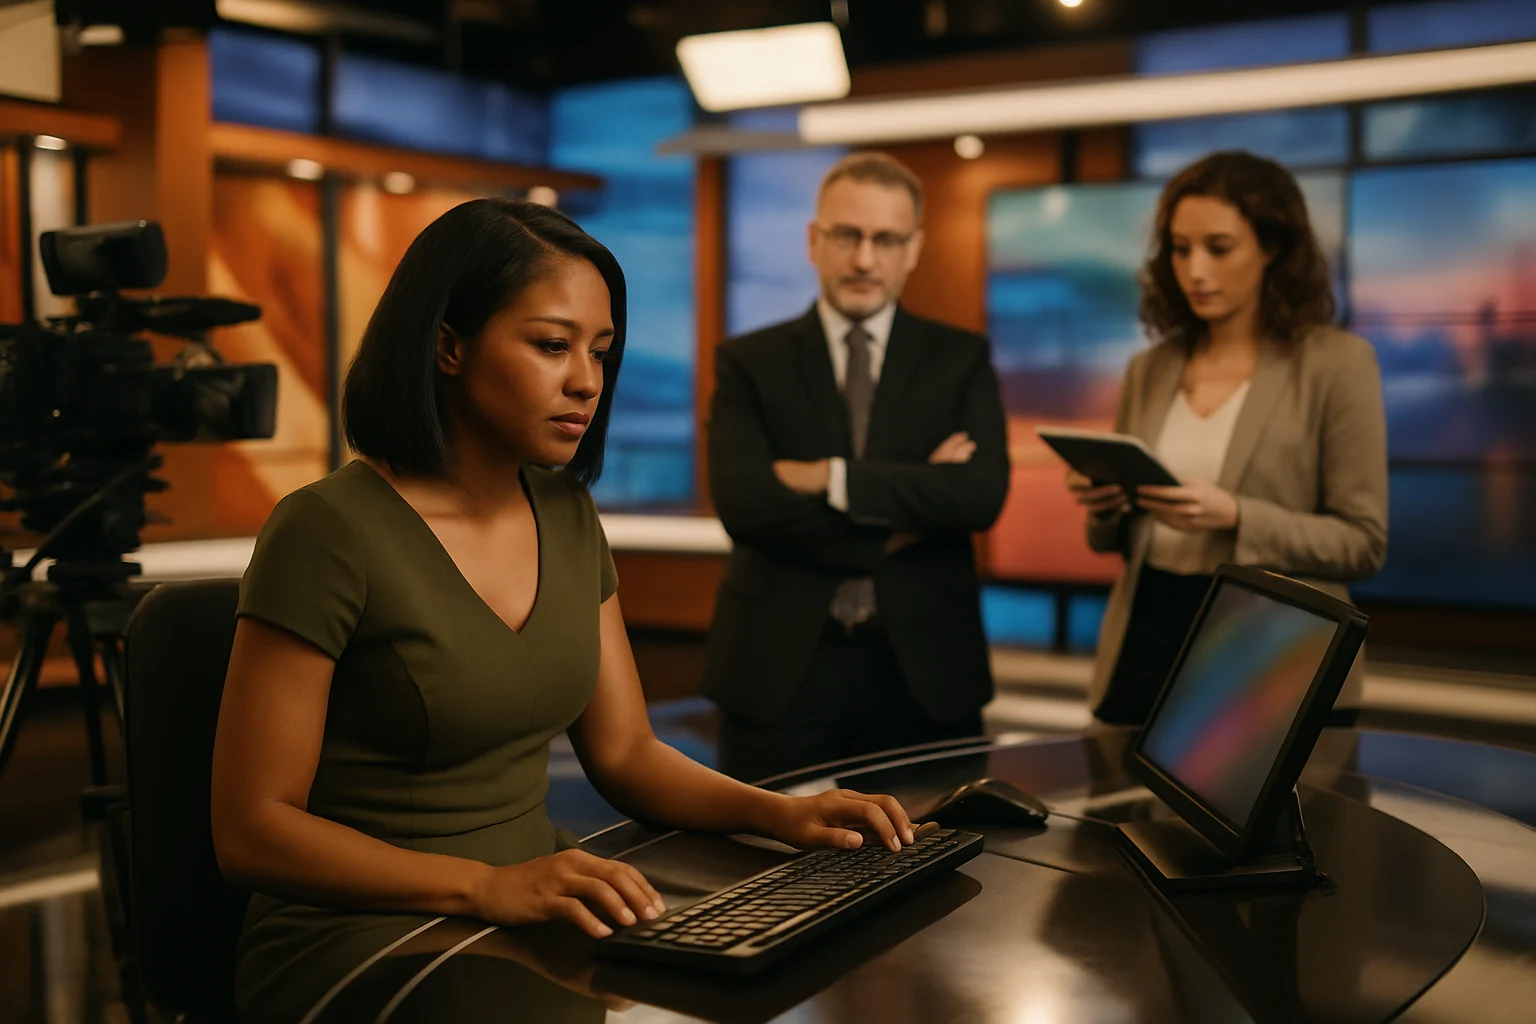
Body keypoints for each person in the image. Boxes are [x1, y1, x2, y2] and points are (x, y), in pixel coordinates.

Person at [210, 198, 916, 1022]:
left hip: (541, 906)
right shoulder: (327, 528)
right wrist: (487, 886)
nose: (586, 380)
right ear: (448, 345)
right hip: (364, 937)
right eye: (551, 345)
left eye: (601, 351)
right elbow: (251, 830)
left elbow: (625, 754)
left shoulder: (568, 513)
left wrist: (785, 815)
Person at [705, 152, 1010, 782]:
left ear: (915, 248)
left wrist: (829, 478)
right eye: (847, 236)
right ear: (814, 241)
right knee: (763, 871)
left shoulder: (961, 359)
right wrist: (907, 514)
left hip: (926, 674)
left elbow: (979, 497)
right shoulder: (747, 362)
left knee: (942, 865)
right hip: (779, 670)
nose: (865, 259)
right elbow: (746, 505)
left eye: (886, 239)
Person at [1068, 151, 1387, 725]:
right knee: (1120, 813)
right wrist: (1106, 504)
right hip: (1147, 635)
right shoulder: (1151, 367)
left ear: (1272, 248)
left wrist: (1236, 514)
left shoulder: (1338, 363)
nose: (1194, 270)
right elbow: (1109, 541)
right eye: (1179, 248)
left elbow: (1363, 543)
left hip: (1270, 641)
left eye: (1218, 248)